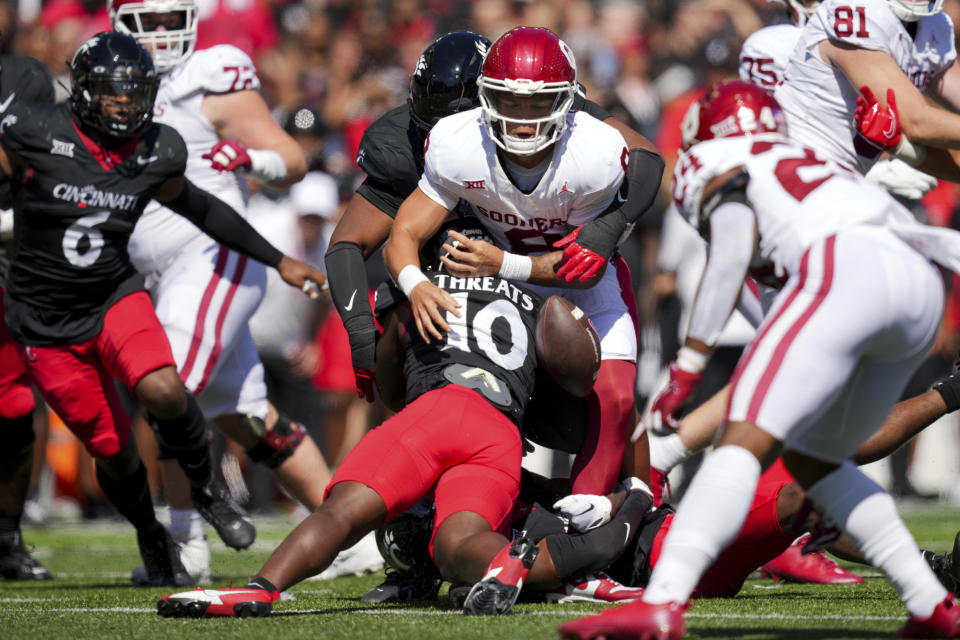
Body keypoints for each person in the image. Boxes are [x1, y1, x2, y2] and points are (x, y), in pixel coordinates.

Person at [559, 81, 960, 639]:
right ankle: (932, 606)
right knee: (819, 461)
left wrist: (690, 364)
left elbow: (729, 246)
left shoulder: (715, 159)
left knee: (738, 449)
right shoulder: (809, 157)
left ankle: (663, 603)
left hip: (846, 270)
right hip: (920, 282)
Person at [0, 32, 325, 586]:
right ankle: (152, 534)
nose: (125, 105)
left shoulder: (158, 146)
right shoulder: (35, 133)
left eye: (134, 94)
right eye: (111, 94)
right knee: (116, 454)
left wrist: (279, 261)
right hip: (45, 320)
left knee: (167, 388)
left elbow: (203, 210)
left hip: (112, 296)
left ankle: (206, 496)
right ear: (81, 94)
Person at [157, 220, 586, 617]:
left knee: (342, 513)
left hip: (439, 406)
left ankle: (260, 587)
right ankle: (502, 560)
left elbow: (390, 385)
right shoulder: (535, 307)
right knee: (458, 543)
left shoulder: (417, 288)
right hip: (499, 431)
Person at [380, 26, 660, 498]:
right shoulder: (458, 143)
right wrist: (414, 284)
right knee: (487, 405)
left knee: (614, 401)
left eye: (538, 103)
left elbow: (583, 268)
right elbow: (403, 233)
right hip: (503, 290)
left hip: (576, 284)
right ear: (485, 98)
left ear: (567, 102)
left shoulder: (595, 156)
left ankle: (607, 518)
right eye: (509, 102)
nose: (523, 118)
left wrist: (501, 263)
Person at [108, 0, 332, 583]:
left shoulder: (211, 78)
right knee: (244, 414)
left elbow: (289, 158)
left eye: (168, 20)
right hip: (160, 272)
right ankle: (348, 526)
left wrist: (250, 157)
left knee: (169, 389)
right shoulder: (107, 72)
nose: (160, 33)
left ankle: (185, 546)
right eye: (147, 22)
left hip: (214, 257)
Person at [0, 42, 56, 582]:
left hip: (10, 266)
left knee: (14, 411)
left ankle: (6, 537)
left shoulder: (23, 76)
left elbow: (51, 174)